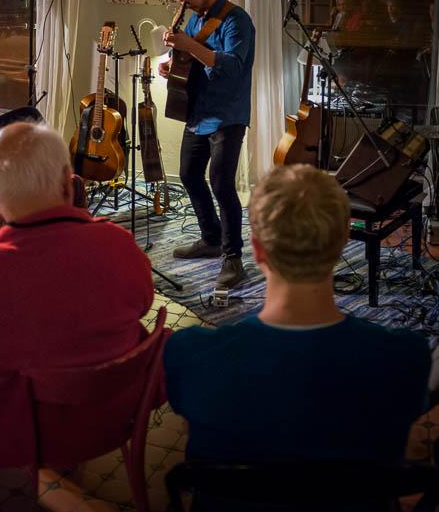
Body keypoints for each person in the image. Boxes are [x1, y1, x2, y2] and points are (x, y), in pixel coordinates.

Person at [0, 122, 153, 469]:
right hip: (115, 416)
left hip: (20, 431)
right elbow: (143, 303)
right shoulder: (121, 245)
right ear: (67, 181)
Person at [165, 164, 430, 467]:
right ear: (344, 238)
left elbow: (194, 436)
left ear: (258, 249)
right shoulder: (405, 357)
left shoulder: (191, 354)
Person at [158, 0, 255, 290]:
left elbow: (233, 66)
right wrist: (174, 64)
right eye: (179, 1)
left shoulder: (236, 19)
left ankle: (233, 257)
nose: (184, 6)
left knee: (222, 184)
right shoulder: (197, 18)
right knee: (187, 174)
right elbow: (197, 61)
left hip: (228, 114)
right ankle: (211, 238)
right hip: (199, 112)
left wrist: (190, 47)